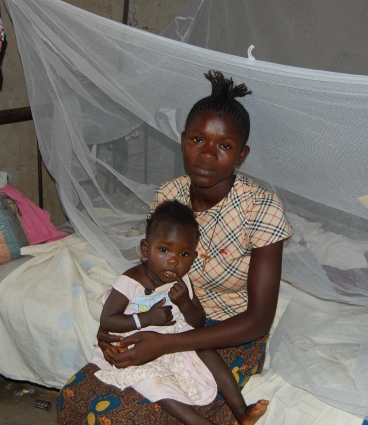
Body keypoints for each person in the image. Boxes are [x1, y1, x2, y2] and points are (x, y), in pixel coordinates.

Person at [57, 70, 293, 424]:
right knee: (75, 398)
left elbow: (258, 320)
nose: (208, 155)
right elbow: (150, 274)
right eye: (197, 140)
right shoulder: (169, 195)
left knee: (127, 417)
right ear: (182, 140)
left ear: (241, 155)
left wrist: (163, 344)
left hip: (227, 336)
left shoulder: (261, 209)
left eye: (224, 146)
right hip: (164, 322)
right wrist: (121, 327)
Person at [90, 199, 268, 424]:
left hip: (172, 337)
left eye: (183, 255)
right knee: (154, 383)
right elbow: (108, 320)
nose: (173, 261)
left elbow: (198, 322)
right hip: (133, 343)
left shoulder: (182, 281)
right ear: (146, 249)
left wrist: (185, 303)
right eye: (164, 250)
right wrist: (145, 319)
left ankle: (241, 410)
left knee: (205, 349)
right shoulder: (129, 281)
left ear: (193, 257)